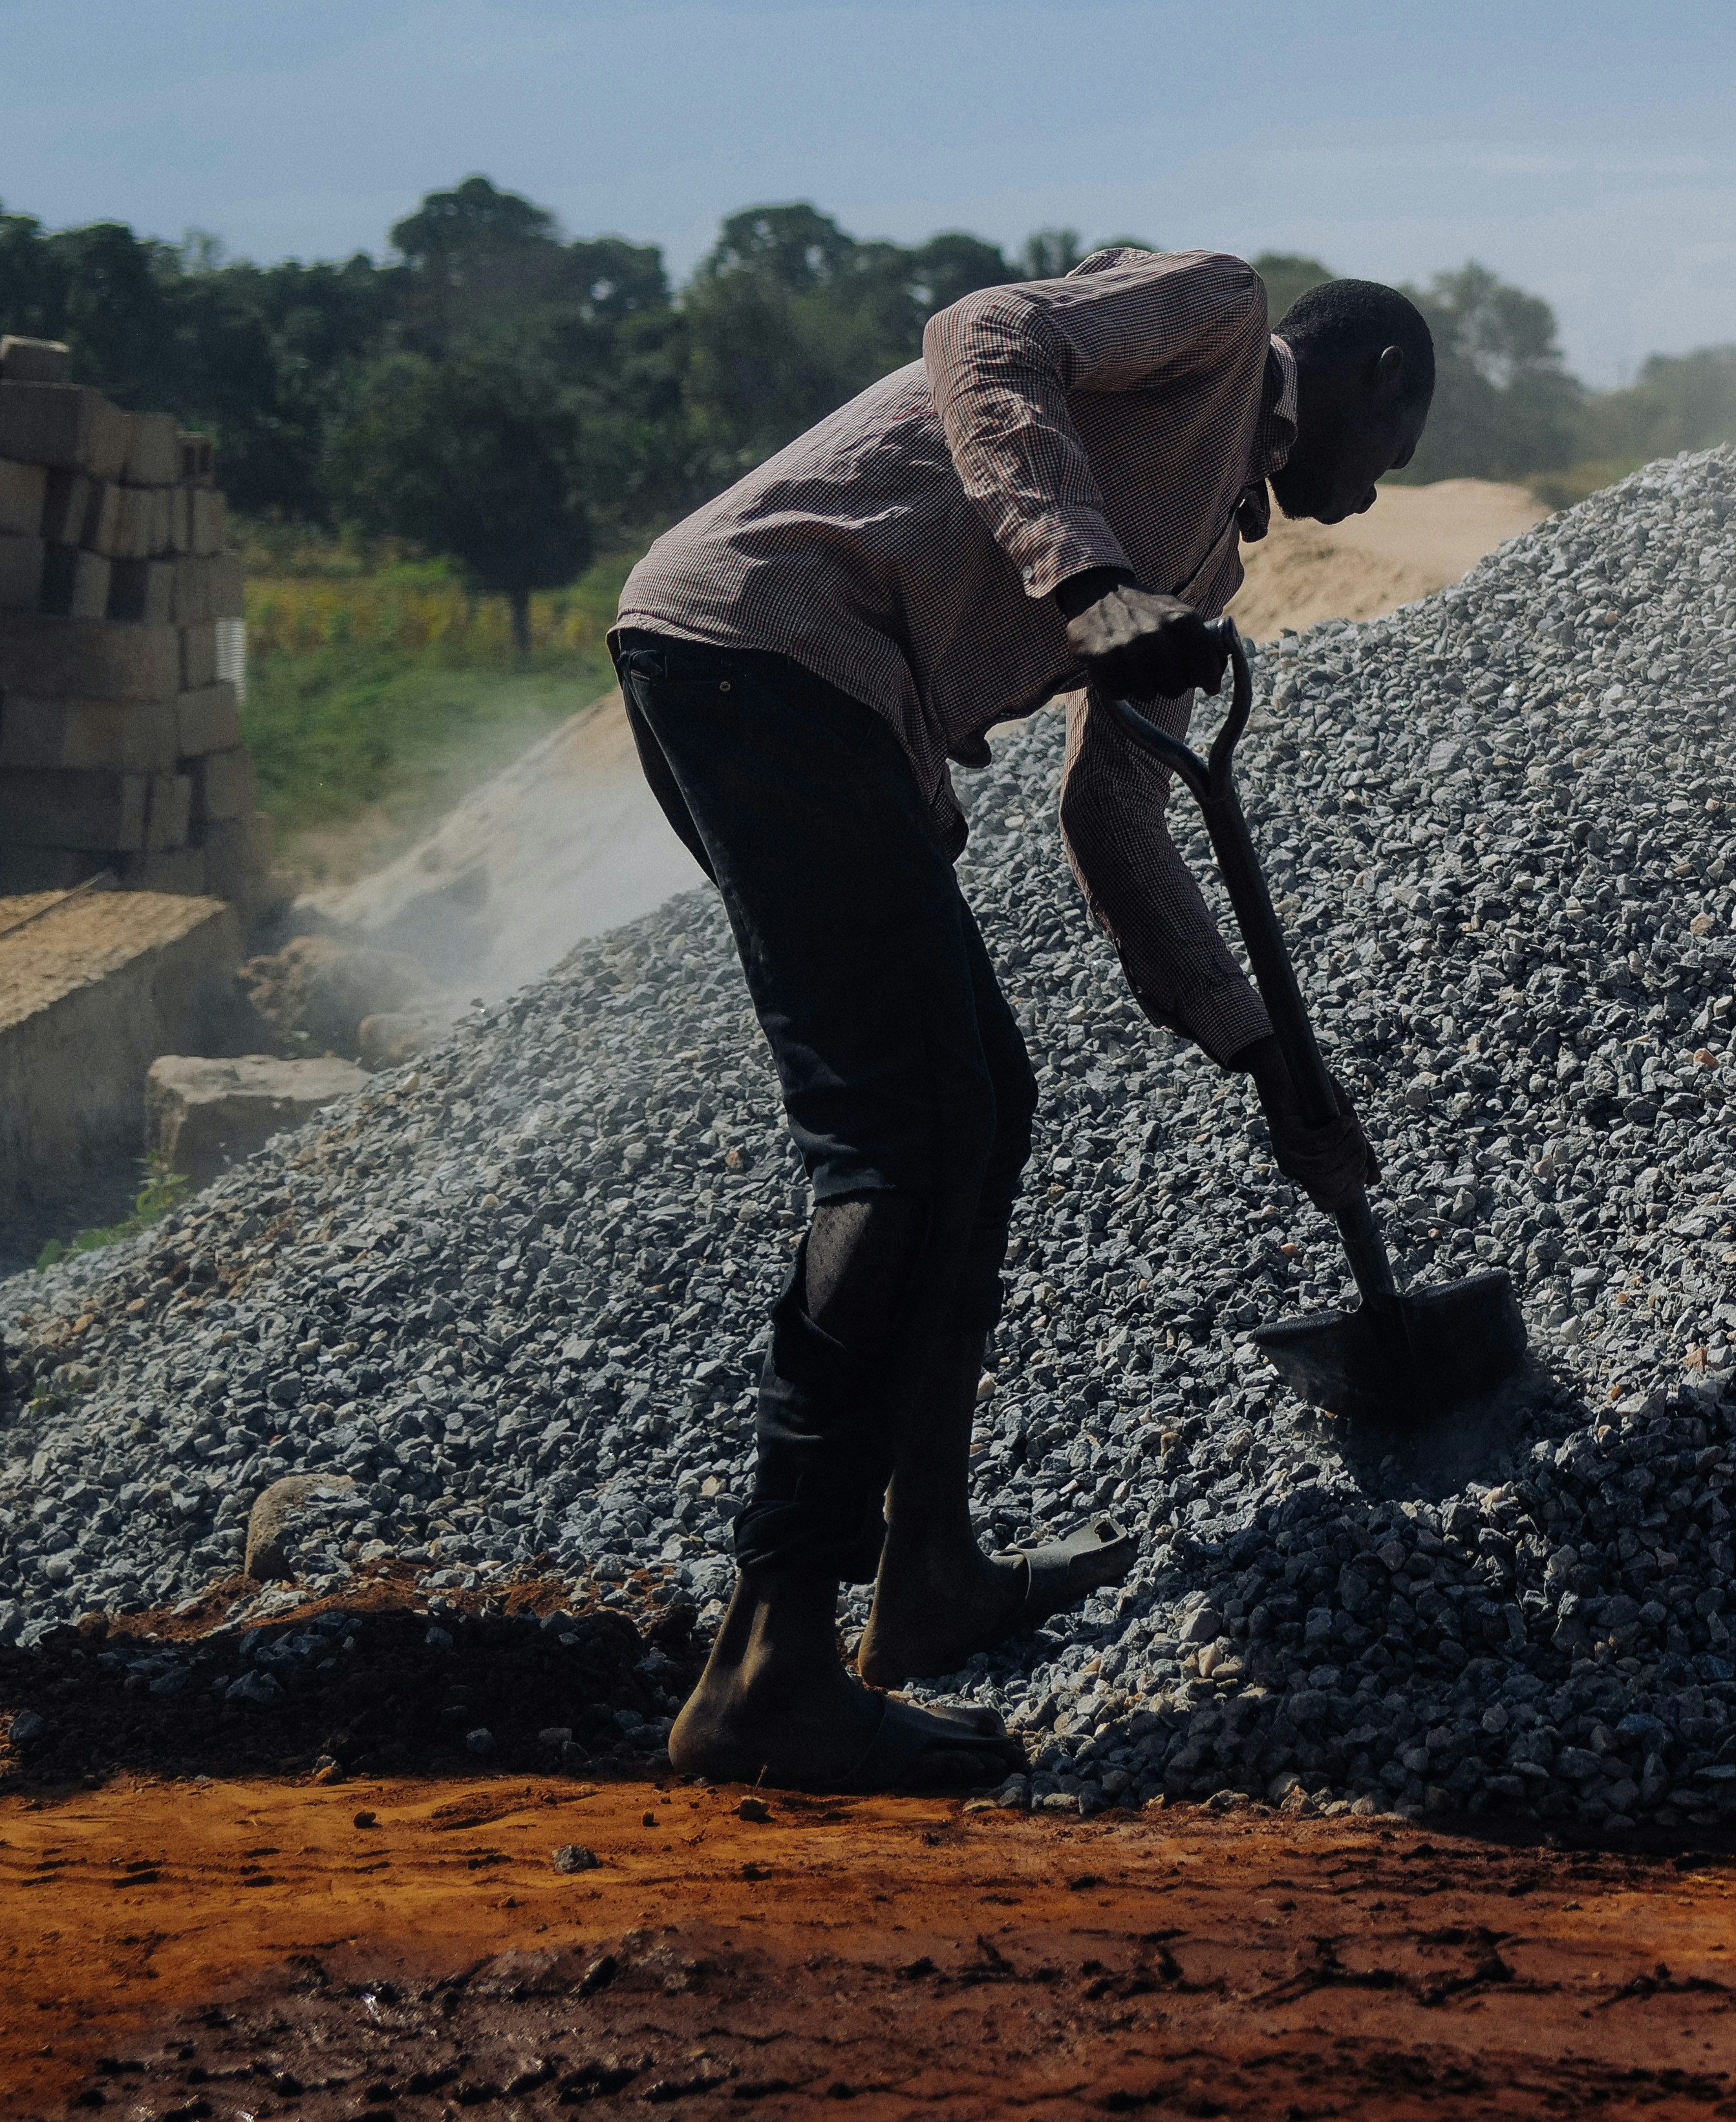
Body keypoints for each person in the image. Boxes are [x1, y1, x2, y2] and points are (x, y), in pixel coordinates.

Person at [609, 248, 1435, 1785]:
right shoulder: (1220, 313)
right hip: (765, 644)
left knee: (982, 1107)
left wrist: (1263, 1051)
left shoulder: (1203, 569)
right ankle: (768, 1661)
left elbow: (1118, 809)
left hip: (840, 704)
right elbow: (979, 334)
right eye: (1394, 458)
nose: (1378, 498)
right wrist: (1084, 571)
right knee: (901, 1137)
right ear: (1375, 377)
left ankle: (925, 1578)